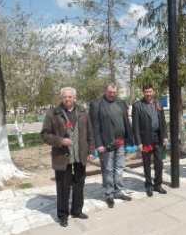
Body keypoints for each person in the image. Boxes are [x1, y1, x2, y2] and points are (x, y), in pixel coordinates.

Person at [41, 87, 95, 227]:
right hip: (62, 157)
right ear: (61, 98)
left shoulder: (82, 112)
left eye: (70, 97)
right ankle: (63, 215)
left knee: (79, 185)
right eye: (65, 97)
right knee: (63, 187)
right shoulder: (53, 113)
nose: (67, 99)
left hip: (79, 155)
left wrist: (90, 151)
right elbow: (45, 134)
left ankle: (77, 210)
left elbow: (90, 133)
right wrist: (60, 141)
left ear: (74, 98)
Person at [89, 83, 134, 208]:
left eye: (114, 92)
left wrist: (129, 138)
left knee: (119, 168)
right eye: (110, 92)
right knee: (108, 169)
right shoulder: (96, 105)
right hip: (106, 143)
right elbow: (94, 126)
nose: (112, 94)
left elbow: (126, 121)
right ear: (105, 91)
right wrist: (98, 144)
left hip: (121, 141)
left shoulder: (121, 103)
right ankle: (109, 194)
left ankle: (118, 191)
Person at [132, 84, 169, 197]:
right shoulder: (138, 105)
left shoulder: (158, 103)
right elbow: (135, 126)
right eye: (146, 92)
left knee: (159, 162)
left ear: (153, 92)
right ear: (143, 93)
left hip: (158, 138)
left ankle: (158, 184)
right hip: (145, 139)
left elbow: (163, 121)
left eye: (150, 91)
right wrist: (139, 142)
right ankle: (148, 185)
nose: (148, 94)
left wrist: (165, 135)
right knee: (147, 164)